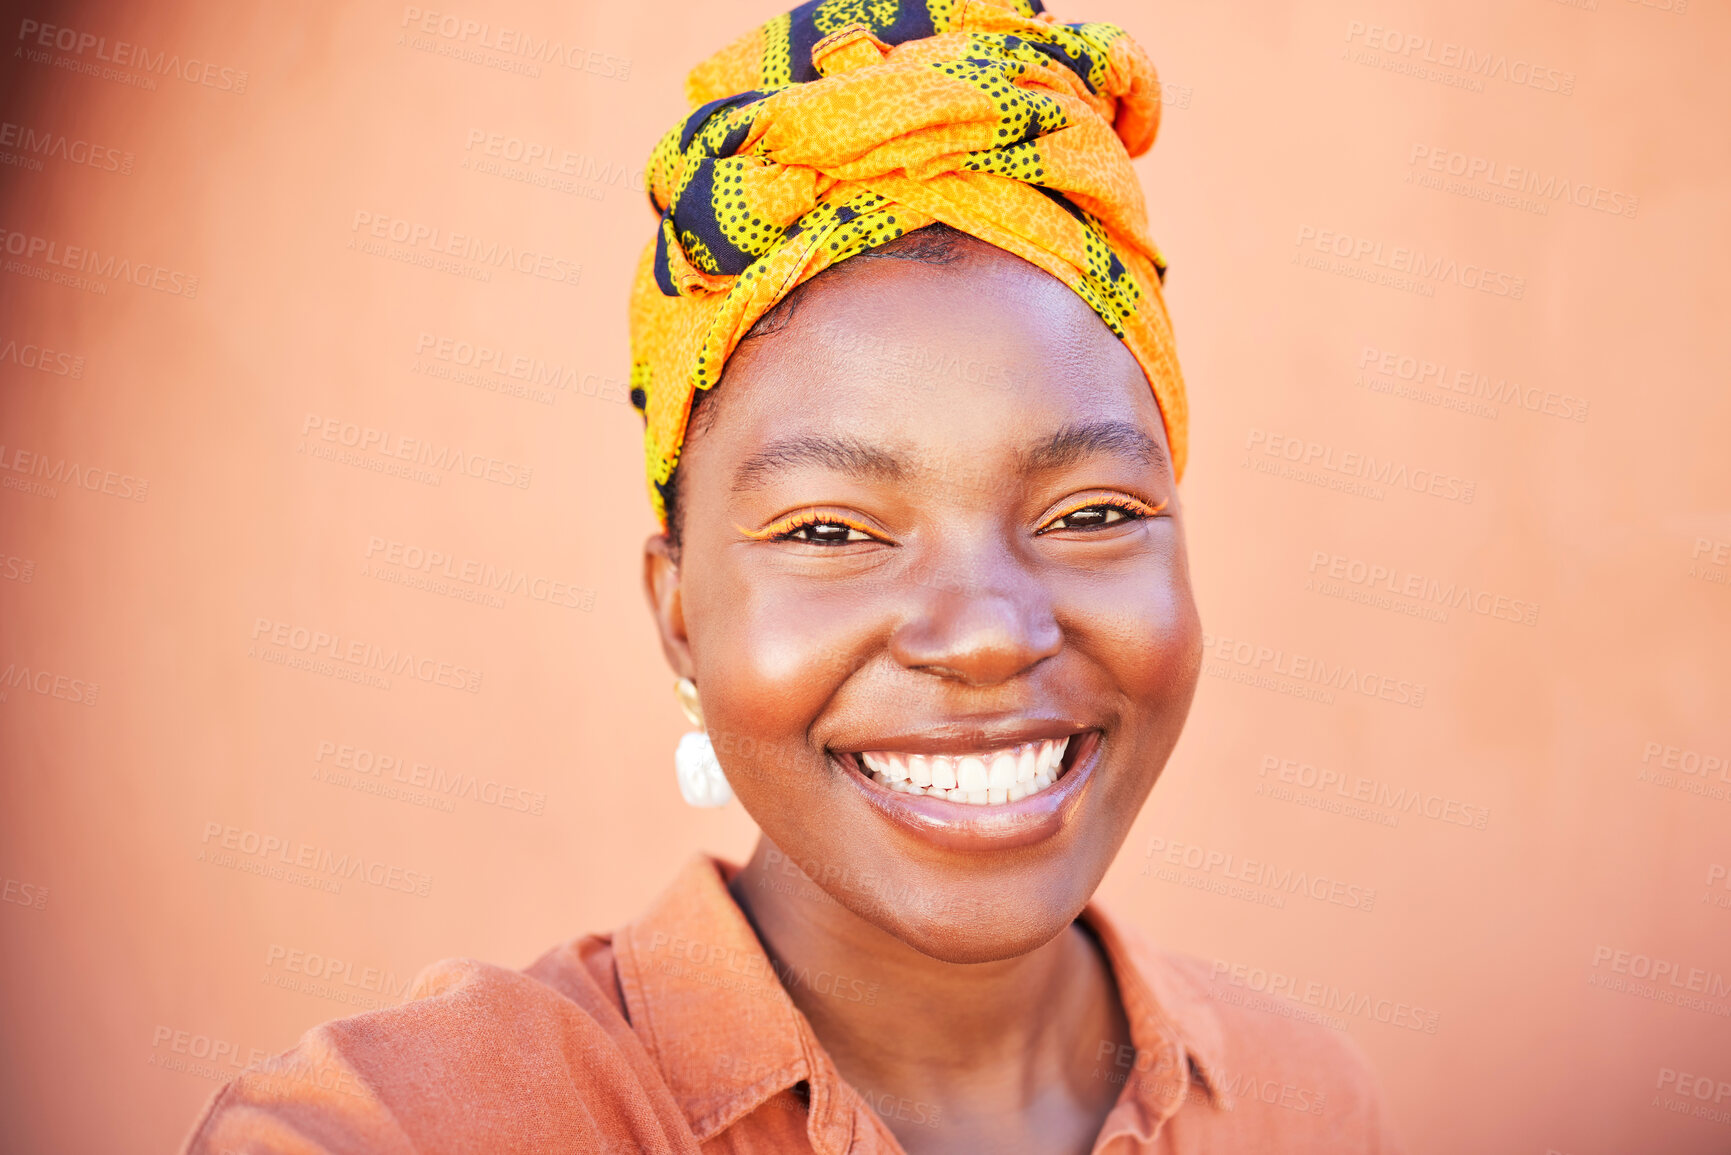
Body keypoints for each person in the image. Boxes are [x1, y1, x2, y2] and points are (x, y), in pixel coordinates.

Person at [184, 2, 1403, 1151]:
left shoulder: (1307, 1104)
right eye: (829, 532)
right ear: (677, 620)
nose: (984, 636)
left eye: (1090, 512)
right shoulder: (412, 1127)